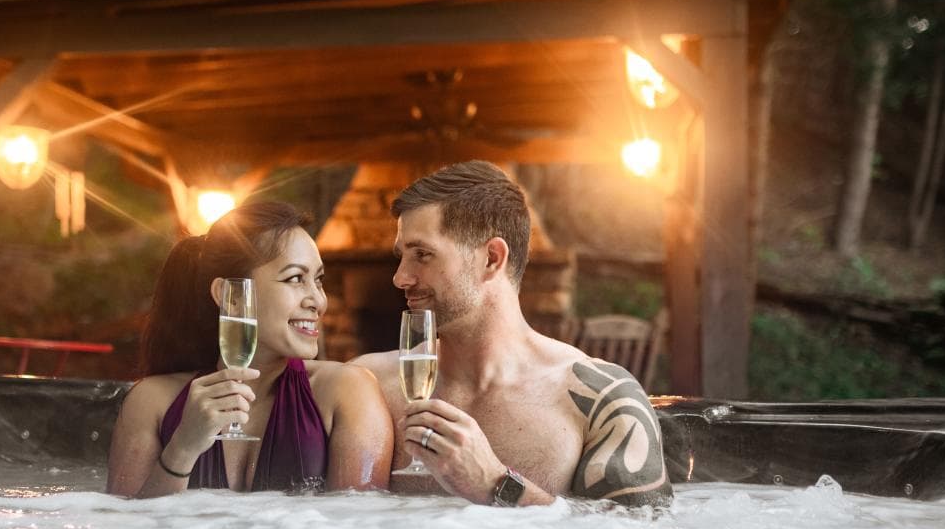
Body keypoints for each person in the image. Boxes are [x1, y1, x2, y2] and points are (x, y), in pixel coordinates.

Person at [352, 161, 672, 508]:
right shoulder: (367, 386)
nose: (400, 278)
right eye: (402, 257)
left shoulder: (600, 400)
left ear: (491, 258)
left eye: (422, 255)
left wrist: (495, 483)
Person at [107, 201, 392, 498]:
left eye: (318, 280)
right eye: (295, 278)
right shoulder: (152, 402)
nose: (318, 301)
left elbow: (360, 528)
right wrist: (183, 447)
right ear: (229, 297)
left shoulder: (347, 392)